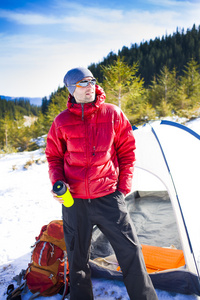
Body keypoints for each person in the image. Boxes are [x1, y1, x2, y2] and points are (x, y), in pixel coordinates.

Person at [45, 67, 158, 300]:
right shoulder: (61, 122)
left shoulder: (113, 114)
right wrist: (58, 182)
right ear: (71, 89)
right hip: (74, 201)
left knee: (130, 252)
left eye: (92, 81)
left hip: (108, 197)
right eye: (83, 83)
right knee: (77, 260)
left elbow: (127, 152)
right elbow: (54, 157)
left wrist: (123, 189)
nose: (90, 87)